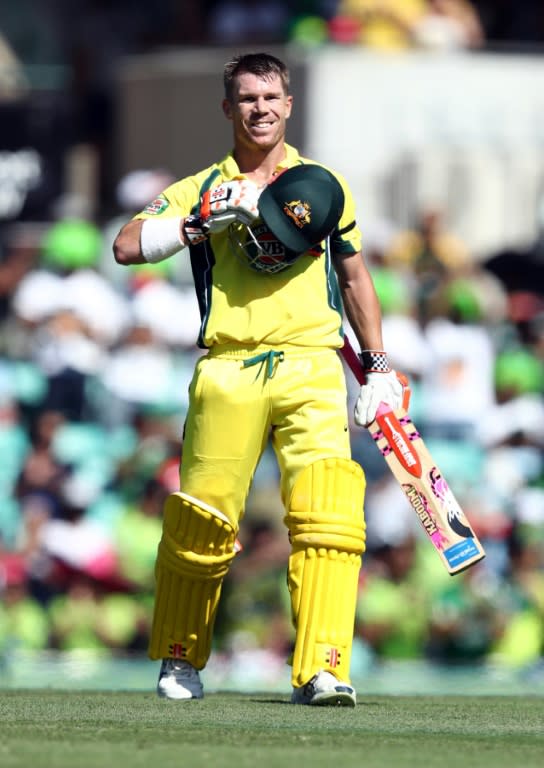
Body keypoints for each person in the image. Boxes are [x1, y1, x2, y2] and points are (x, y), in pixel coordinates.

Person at [113, 52, 407, 707]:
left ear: (289, 104)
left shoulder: (322, 182)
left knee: (329, 518)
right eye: (247, 99)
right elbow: (126, 244)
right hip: (228, 365)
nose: (261, 108)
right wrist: (197, 223)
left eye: (271, 96)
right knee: (203, 521)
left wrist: (379, 366)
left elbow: (355, 276)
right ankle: (181, 660)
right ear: (228, 109)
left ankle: (322, 669)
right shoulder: (204, 184)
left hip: (311, 363)